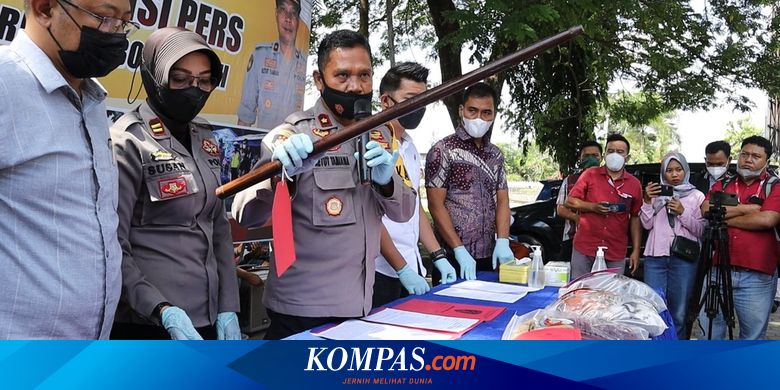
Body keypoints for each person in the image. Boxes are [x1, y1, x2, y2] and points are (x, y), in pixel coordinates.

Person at [232, 30, 416, 339]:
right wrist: (280, 175)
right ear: (319, 80)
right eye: (342, 75)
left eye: (364, 75)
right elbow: (245, 215)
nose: (355, 86)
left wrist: (387, 183)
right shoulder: (292, 134)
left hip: (361, 305)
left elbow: (404, 212)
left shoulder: (381, 134)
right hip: (301, 312)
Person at [0, 0, 134, 339]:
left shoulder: (91, 100)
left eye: (123, 23)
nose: (115, 34)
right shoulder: (4, 84)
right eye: (104, 17)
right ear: (45, 8)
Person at [110, 27, 240, 340]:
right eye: (180, 79)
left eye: (204, 80)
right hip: (148, 322)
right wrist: (160, 308)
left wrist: (228, 306)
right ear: (152, 77)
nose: (193, 90)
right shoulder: (128, 141)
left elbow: (217, 227)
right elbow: (113, 245)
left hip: (208, 317)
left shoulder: (205, 137)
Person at [372, 62, 457, 308]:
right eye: (410, 99)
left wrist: (438, 255)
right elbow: (368, 216)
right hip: (379, 270)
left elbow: (414, 206)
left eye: (424, 100)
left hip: (411, 263)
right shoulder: (371, 145)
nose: (418, 107)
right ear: (386, 101)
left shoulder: (409, 146)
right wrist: (401, 269)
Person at [425, 82, 514, 283]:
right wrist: (458, 249)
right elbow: (435, 205)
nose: (479, 118)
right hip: (452, 257)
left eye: (486, 113)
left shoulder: (495, 155)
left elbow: (502, 201)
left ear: (494, 114)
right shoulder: (443, 150)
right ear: (461, 110)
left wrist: (502, 240)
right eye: (472, 111)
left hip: (489, 255)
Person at [698, 135, 780, 340]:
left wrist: (722, 218)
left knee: (751, 338)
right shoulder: (724, 183)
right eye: (744, 154)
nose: (748, 159)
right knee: (708, 334)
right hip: (717, 270)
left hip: (756, 276)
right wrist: (748, 209)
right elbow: (706, 210)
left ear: (767, 161)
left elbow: (767, 220)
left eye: (756, 156)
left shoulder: (774, 186)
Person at [640, 152, 706, 339]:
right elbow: (646, 224)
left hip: (684, 259)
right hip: (656, 258)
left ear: (686, 171)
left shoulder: (697, 196)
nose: (674, 174)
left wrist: (683, 212)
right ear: (663, 173)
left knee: (678, 312)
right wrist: (647, 201)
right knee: (654, 309)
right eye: (669, 170)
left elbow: (701, 230)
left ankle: (676, 348)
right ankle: (657, 349)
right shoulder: (655, 195)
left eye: (678, 169)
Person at [564, 133, 642, 279]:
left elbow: (635, 217)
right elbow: (570, 201)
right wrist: (593, 207)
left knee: (611, 290)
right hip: (585, 247)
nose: (615, 155)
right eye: (611, 151)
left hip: (615, 250)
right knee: (580, 288)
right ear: (604, 155)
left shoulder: (634, 184)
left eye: (620, 152)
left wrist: (636, 250)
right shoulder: (589, 175)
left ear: (627, 157)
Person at [237, 0, 307, 129]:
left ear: (298, 20)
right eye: (283, 10)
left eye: (293, 13)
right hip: (265, 139)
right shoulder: (260, 55)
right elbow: (246, 114)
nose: (288, 19)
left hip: (294, 140)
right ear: (276, 14)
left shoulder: (305, 64)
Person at [555, 140, 603, 262]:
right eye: (586, 156)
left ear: (601, 158)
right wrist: (577, 219)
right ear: (580, 159)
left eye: (595, 155)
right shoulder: (570, 180)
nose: (591, 159)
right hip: (572, 237)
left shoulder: (608, 180)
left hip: (601, 240)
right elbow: (560, 209)